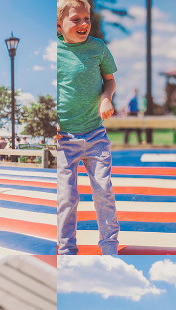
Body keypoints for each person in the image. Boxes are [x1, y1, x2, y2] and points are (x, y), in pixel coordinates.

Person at [57, 0, 120, 255]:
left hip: (95, 134)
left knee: (103, 191)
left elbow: (110, 81)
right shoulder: (55, 52)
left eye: (86, 18)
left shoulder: (98, 47)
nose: (83, 24)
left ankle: (109, 246)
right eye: (76, 19)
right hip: (64, 139)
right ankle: (66, 250)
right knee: (66, 197)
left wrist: (106, 98)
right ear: (59, 25)